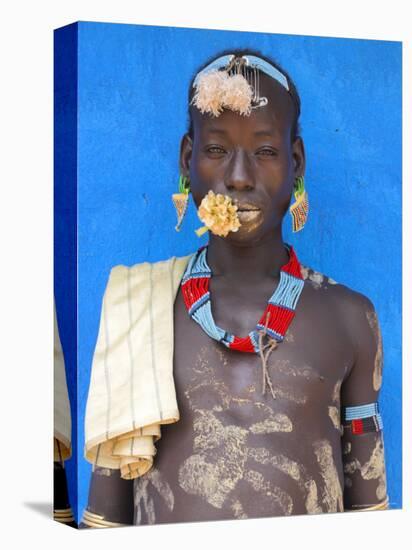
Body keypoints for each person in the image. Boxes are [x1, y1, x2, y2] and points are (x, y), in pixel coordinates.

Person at [80, 48, 389, 528]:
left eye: (265, 152)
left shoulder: (350, 320)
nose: (239, 177)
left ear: (296, 162)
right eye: (216, 150)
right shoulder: (138, 308)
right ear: (188, 159)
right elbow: (104, 522)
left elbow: (371, 517)